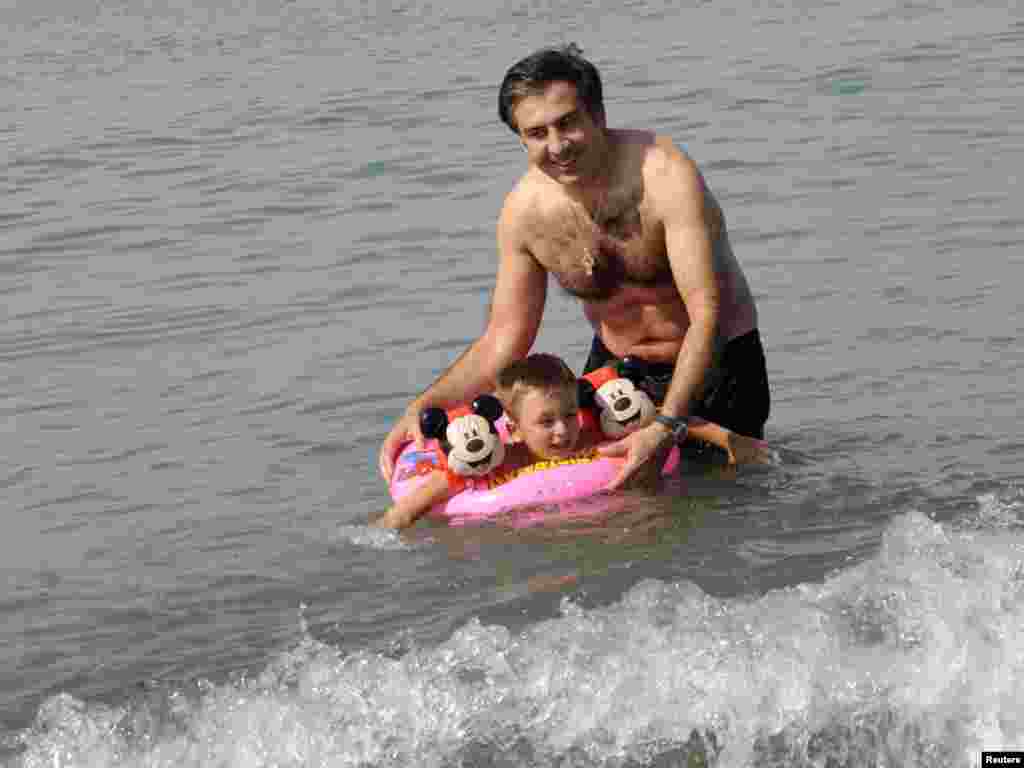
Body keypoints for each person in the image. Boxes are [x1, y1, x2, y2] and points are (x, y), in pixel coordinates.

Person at [379, 44, 770, 490]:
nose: (557, 145)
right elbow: (503, 340)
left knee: (715, 508)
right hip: (616, 374)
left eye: (568, 123)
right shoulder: (524, 215)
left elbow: (707, 313)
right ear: (521, 139)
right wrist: (423, 407)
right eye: (537, 133)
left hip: (714, 365)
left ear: (597, 115)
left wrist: (666, 425)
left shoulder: (664, 177)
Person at [375, 353, 596, 529]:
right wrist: (398, 518)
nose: (563, 430)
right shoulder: (498, 460)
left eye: (570, 415)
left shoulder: (592, 442)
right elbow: (444, 482)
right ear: (513, 427)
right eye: (546, 422)